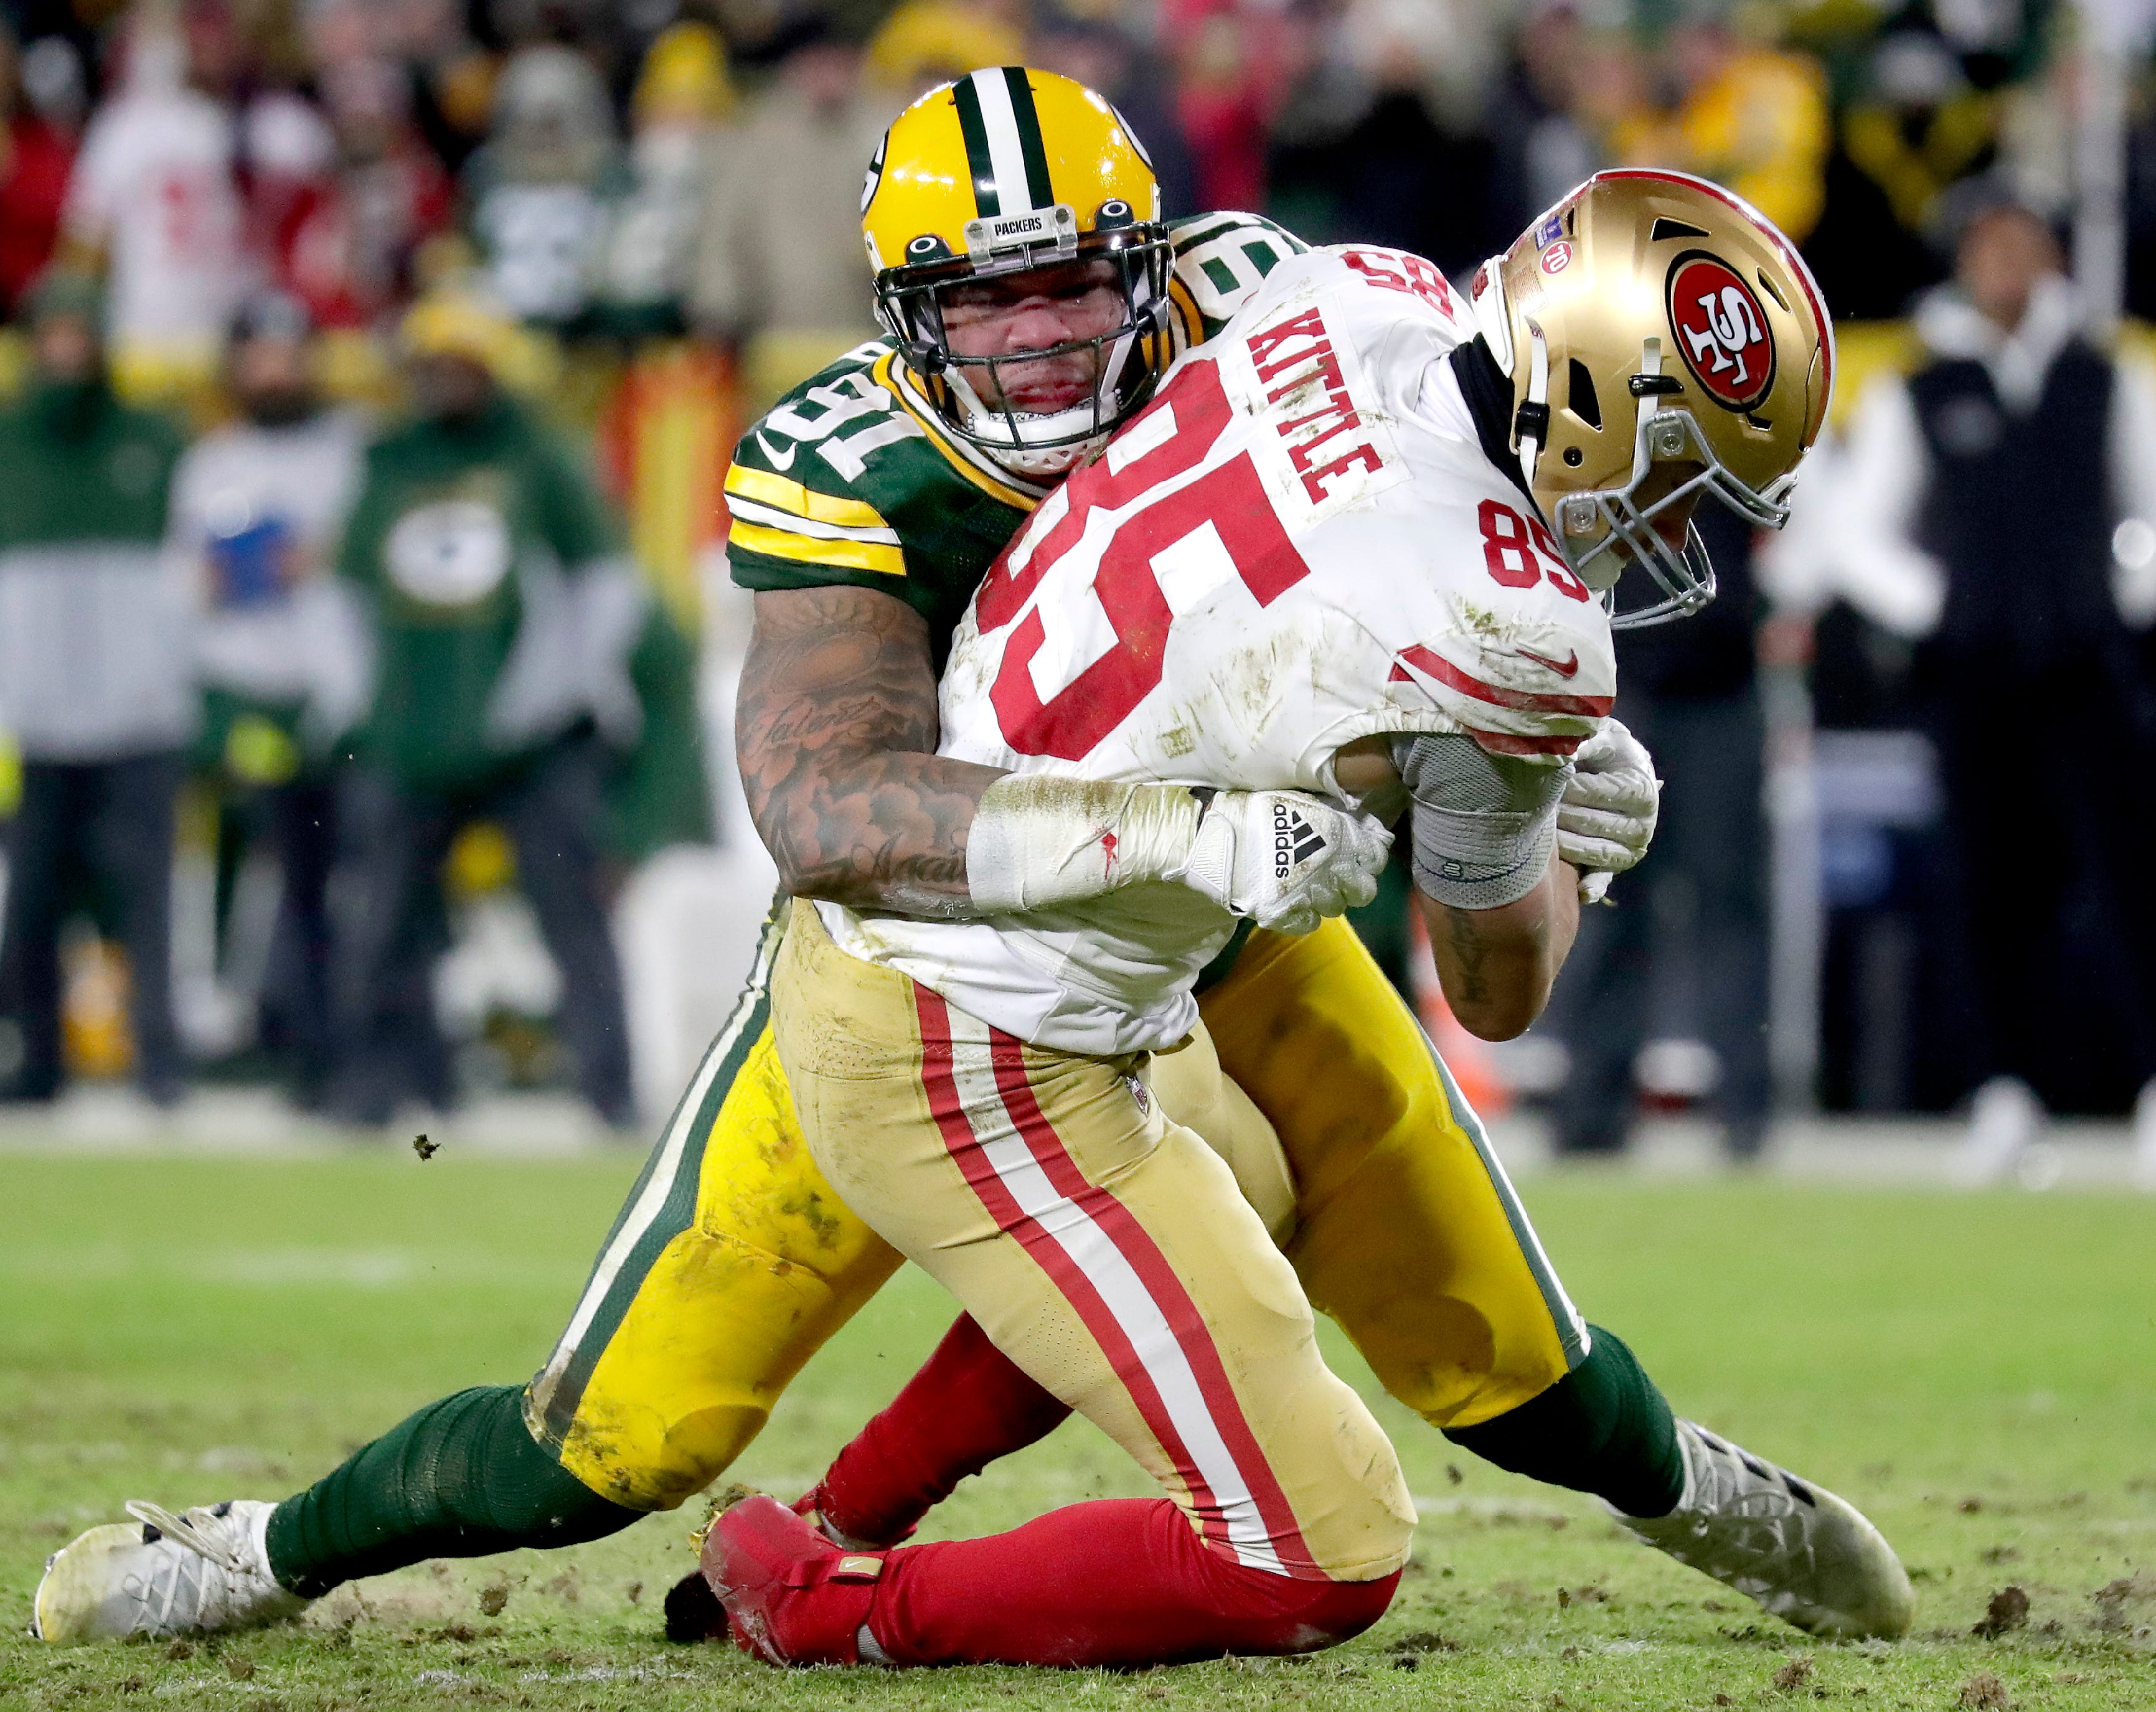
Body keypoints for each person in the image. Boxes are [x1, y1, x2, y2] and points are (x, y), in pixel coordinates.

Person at [29, 81, 1898, 1653]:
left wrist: (1426, 783)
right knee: (614, 1432)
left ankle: (1695, 1491)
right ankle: (261, 1549)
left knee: (1452, 1263)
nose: (1043, 335)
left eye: (1081, 280)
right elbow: (834, 812)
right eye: (981, 301)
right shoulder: (858, 452)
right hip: (939, 930)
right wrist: (1436, 791)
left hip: (1228, 900)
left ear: (1154, 262)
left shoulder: (1277, 299)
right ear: (901, 311)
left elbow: (1365, 624)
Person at [691, 168, 1909, 1668]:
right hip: (972, 1025)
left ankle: (846, 1504)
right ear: (1592, 406)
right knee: (1319, 1550)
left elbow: (1287, 624)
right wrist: (1570, 846)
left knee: (1259, 1185)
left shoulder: (1355, 291)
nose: (1666, 527)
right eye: (1674, 474)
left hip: (1004, 920)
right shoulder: (1512, 625)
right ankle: (820, 1610)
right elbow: (1500, 983)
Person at [1818, 197, 2156, 1188]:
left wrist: (2113, 594)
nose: (2003, 263)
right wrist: (1941, 607)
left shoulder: (2106, 375)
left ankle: (2148, 1086)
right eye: (1985, 247)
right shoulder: (1920, 386)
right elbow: (1857, 534)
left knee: (2128, 879)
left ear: (2049, 255)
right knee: (1987, 886)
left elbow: (2148, 502)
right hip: (1974, 679)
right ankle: (2006, 1091)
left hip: (2090, 670)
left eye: (2020, 245)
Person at [320, 286, 644, 1128]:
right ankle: (388, 1088)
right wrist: (358, 698)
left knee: (573, 918)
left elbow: (608, 587)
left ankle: (609, 1091)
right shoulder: (388, 458)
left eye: (466, 361)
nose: (449, 377)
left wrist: (548, 694)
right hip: (409, 734)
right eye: (437, 361)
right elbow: (342, 589)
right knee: (384, 922)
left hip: (527, 740)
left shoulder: (541, 455)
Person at [166, 291, 370, 1108]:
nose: (276, 371)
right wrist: (212, 581)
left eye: (289, 355)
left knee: (333, 876)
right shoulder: (211, 461)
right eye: (261, 354)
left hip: (334, 697)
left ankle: (327, 1034)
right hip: (241, 692)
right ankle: (245, 1022)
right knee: (241, 868)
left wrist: (327, 555)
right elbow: (180, 581)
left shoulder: (354, 451)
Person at [0, 271, 191, 1110]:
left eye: (80, 333)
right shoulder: (9, 439)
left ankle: (162, 1063)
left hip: (140, 712)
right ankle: (37, 1059)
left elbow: (192, 574)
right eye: (54, 333)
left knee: (147, 900)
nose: (67, 349)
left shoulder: (156, 440)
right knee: (33, 898)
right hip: (35, 718)